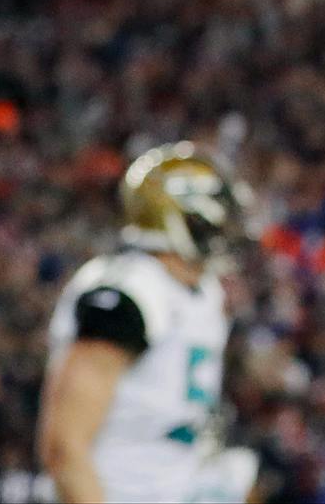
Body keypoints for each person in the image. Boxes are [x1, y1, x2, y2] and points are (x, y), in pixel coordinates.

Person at [36, 142, 254, 504]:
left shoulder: (203, 291)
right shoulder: (129, 293)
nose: (228, 227)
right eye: (219, 214)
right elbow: (64, 446)